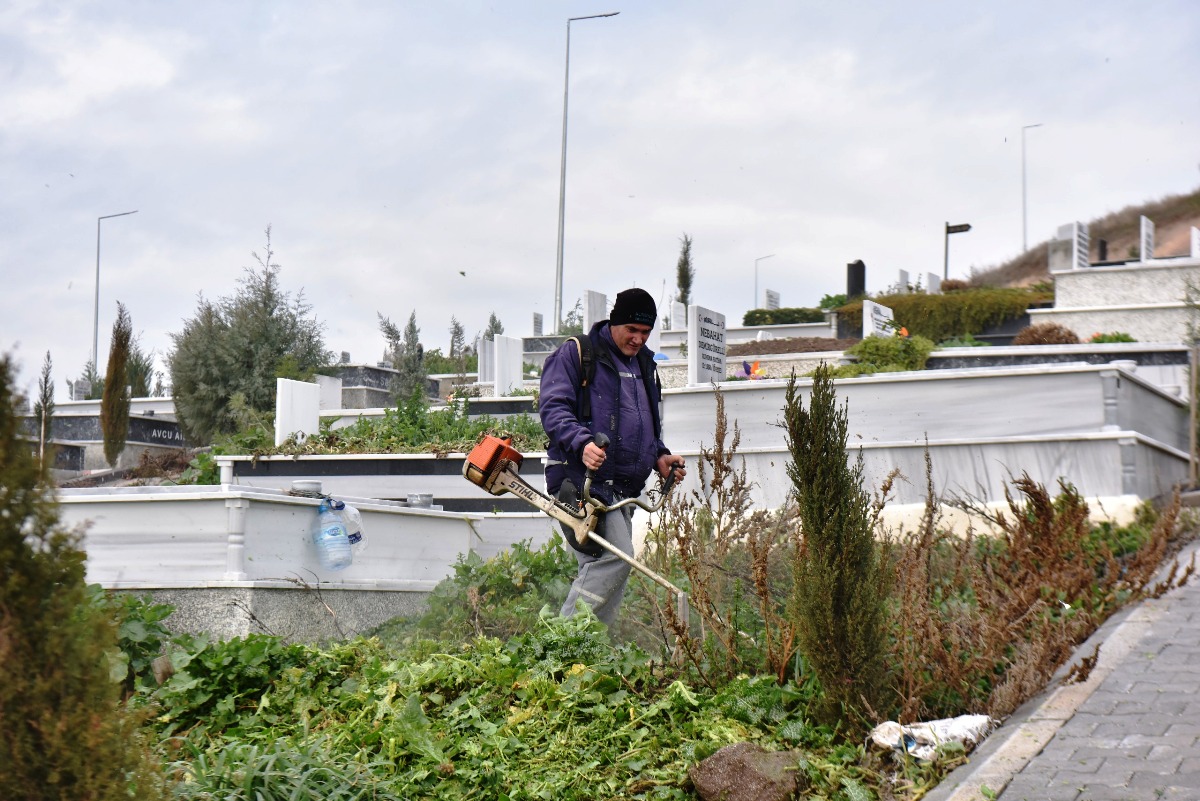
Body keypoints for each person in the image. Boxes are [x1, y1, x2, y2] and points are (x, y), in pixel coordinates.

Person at [539, 287, 686, 626]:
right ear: (614, 322)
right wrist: (582, 442)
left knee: (611, 576)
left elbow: (644, 424)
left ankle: (589, 657)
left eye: (645, 332)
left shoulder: (644, 364)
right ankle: (561, 645)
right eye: (632, 330)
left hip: (621, 490)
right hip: (580, 482)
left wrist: (659, 456)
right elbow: (553, 408)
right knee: (614, 560)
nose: (638, 339)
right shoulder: (578, 353)